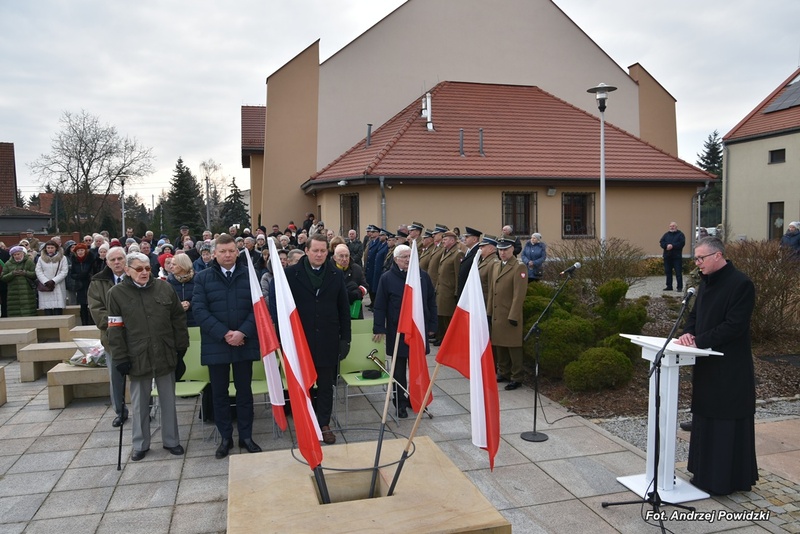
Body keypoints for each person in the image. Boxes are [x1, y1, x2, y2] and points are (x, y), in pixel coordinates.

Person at [675, 237, 758, 495]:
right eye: (696, 259)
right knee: (706, 417)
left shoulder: (741, 284)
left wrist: (700, 340)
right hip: (706, 363)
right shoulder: (705, 283)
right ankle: (704, 474)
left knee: (725, 421)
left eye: (701, 258)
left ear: (718, 256)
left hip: (730, 366)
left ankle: (726, 480)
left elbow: (734, 326)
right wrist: (688, 334)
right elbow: (695, 316)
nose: (697, 263)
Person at [107, 252, 189, 461]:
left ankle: (172, 441)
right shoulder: (117, 293)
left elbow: (178, 320)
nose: (144, 273)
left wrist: (181, 351)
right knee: (140, 402)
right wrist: (120, 357)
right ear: (127, 270)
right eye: (139, 269)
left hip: (165, 352)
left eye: (147, 268)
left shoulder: (164, 287)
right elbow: (115, 329)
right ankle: (140, 444)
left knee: (168, 400)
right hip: (137, 355)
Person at [270, 234, 351, 445]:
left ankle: (324, 423)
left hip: (327, 339)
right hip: (299, 341)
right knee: (301, 384)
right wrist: (280, 338)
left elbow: (343, 309)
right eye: (315, 250)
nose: (319, 254)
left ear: (328, 252)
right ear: (306, 251)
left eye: (323, 251)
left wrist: (346, 340)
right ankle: (305, 421)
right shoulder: (290, 274)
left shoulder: (335, 274)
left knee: (325, 385)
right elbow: (278, 308)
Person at [192, 234, 262, 459]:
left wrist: (242, 332)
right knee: (219, 394)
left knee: (244, 393)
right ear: (214, 254)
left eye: (232, 250)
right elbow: (199, 310)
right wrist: (224, 334)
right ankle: (225, 438)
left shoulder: (250, 276)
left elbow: (259, 309)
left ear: (237, 251)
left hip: (244, 342)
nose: (228, 255)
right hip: (217, 345)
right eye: (223, 251)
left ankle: (246, 436)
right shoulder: (203, 278)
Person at [372, 245, 437, 418]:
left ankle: (416, 399)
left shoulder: (422, 277)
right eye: (403, 256)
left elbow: (431, 301)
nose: (408, 260)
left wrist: (432, 325)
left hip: (418, 331)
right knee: (398, 370)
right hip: (398, 331)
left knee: (418, 368)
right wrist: (379, 327)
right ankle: (400, 402)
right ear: (395, 259)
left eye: (410, 256)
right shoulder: (387, 278)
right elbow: (379, 306)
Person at [88, 246, 130, 427]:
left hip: (137, 336)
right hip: (112, 338)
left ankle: (146, 409)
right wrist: (124, 321)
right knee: (116, 378)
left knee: (142, 376)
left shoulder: (136, 276)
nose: (117, 262)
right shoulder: (98, 282)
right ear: (107, 262)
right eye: (113, 260)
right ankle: (120, 412)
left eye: (120, 259)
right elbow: (97, 312)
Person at [488, 238, 528, 390]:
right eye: (500, 249)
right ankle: (503, 371)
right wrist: (489, 312)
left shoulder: (519, 267)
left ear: (512, 249)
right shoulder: (496, 265)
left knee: (513, 346)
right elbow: (493, 290)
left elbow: (519, 294)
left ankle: (516, 376)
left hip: (510, 313)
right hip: (498, 312)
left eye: (505, 249)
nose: (502, 252)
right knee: (499, 344)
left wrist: (514, 315)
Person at [434, 230, 464, 345]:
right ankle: (442, 338)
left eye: (445, 240)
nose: (443, 241)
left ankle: (449, 341)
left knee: (447, 317)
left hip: (449, 291)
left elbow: (458, 275)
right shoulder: (445, 252)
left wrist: (456, 292)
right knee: (441, 315)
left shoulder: (457, 254)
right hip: (441, 290)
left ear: (452, 240)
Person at [332, 243, 368, 319]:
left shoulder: (357, 269)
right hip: (335, 311)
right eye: (341, 256)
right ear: (335, 257)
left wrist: (358, 292)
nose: (344, 259)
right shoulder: (329, 270)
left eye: (347, 256)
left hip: (355, 309)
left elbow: (365, 286)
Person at [1, 245, 37, 316]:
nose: (17, 256)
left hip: (27, 292)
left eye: (18, 254)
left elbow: (35, 275)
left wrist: (25, 273)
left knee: (28, 312)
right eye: (15, 254)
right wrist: (12, 274)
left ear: (23, 254)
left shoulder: (29, 262)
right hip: (13, 293)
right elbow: (3, 277)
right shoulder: (8, 264)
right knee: (14, 313)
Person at [35, 240, 69, 316]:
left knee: (58, 307)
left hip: (58, 285)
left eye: (52, 247)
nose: (50, 249)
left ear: (56, 248)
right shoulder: (41, 258)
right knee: (47, 307)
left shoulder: (62, 258)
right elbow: (38, 271)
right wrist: (45, 281)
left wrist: (54, 281)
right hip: (45, 285)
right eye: (48, 248)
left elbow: (64, 271)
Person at [69, 243, 94, 325]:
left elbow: (93, 270)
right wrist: (79, 276)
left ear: (85, 251)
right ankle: (84, 323)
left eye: (82, 250)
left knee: (91, 304)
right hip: (80, 285)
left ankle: (92, 322)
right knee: (83, 306)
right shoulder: (74, 260)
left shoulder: (90, 259)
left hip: (89, 284)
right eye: (78, 250)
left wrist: (88, 275)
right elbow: (72, 274)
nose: (80, 252)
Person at [659, 221, 686, 291]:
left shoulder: (680, 235)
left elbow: (682, 243)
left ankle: (679, 287)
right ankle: (669, 286)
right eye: (670, 226)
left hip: (676, 257)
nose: (672, 227)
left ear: (676, 227)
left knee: (678, 272)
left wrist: (672, 246)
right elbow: (661, 242)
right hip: (667, 256)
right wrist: (666, 246)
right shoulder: (666, 235)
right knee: (668, 272)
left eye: (673, 226)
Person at [457, 227, 482, 298]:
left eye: (467, 237)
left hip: (470, 292)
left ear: (474, 239)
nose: (464, 239)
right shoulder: (469, 251)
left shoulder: (477, 252)